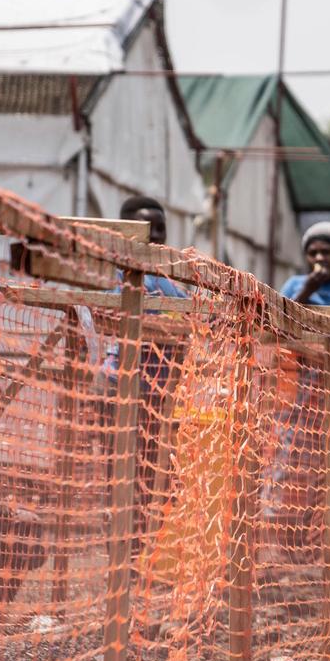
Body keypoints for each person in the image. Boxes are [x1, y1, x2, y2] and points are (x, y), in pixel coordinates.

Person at [103, 195, 189, 549]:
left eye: (160, 230)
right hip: (122, 384)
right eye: (145, 230)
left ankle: (142, 545)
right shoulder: (119, 275)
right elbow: (115, 316)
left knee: (158, 472)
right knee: (123, 469)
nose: (154, 237)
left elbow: (192, 318)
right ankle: (124, 548)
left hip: (163, 389)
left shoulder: (171, 279)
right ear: (126, 234)